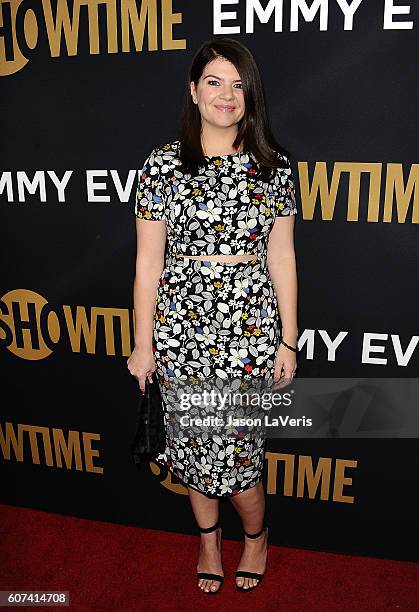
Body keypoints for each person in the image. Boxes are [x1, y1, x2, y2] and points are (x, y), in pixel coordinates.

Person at [127, 37, 298, 594]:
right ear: (194, 92)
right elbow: (148, 263)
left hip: (250, 330)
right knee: (194, 452)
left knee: (241, 455)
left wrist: (288, 342)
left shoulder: (273, 166)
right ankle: (207, 538)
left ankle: (255, 537)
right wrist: (143, 343)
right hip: (181, 330)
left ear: (252, 95)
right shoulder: (161, 165)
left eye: (239, 83)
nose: (228, 95)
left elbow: (283, 257)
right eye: (215, 82)